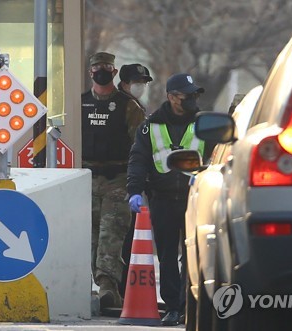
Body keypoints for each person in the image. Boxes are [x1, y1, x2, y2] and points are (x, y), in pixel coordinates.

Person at [126, 73, 211, 326]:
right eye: (188, 96)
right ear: (172, 98)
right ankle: (172, 307)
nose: (193, 100)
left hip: (195, 199)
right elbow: (138, 159)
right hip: (162, 200)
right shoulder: (149, 126)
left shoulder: (203, 123)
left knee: (192, 254)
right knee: (166, 255)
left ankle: (190, 305)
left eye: (195, 95)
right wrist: (134, 191)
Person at [81, 52, 146, 310]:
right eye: (97, 67)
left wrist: (137, 182)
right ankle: (97, 285)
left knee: (111, 234)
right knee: (91, 238)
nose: (101, 71)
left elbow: (140, 145)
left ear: (114, 72)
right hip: (86, 179)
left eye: (106, 67)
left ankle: (108, 287)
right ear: (90, 72)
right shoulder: (80, 104)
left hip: (117, 180)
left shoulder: (128, 106)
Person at [116, 63, 154, 298]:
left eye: (144, 83)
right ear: (125, 82)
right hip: (123, 177)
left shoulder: (135, 105)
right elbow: (138, 146)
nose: (141, 87)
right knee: (123, 235)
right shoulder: (126, 105)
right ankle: (121, 289)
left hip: (129, 176)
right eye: (137, 82)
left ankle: (121, 289)